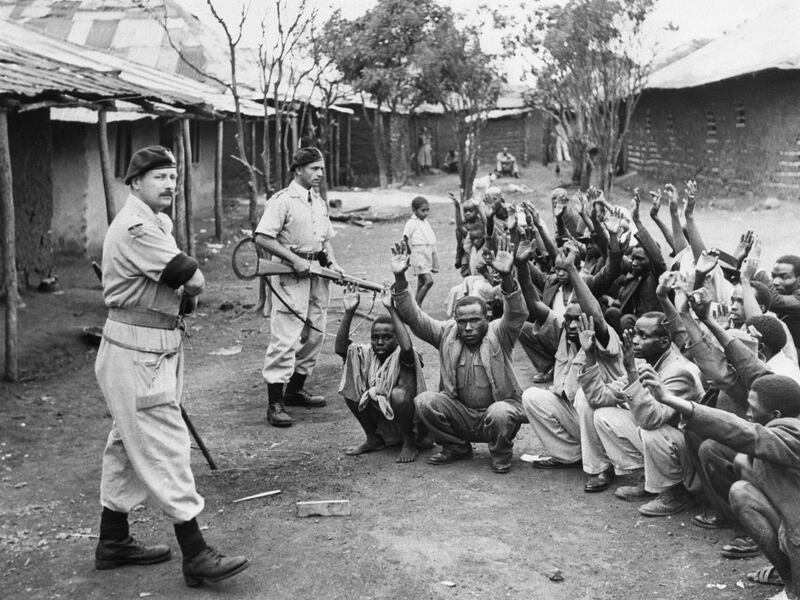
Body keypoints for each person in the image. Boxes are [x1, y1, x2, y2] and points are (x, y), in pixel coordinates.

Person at [94, 146, 248, 586]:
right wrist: (189, 286)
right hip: (136, 351)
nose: (170, 184)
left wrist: (186, 289)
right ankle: (195, 552)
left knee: (127, 445)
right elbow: (194, 280)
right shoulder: (138, 226)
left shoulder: (158, 222)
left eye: (173, 177)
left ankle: (113, 541)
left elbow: (188, 290)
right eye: (159, 177)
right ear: (135, 183)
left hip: (153, 345)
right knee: (167, 443)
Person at [642, 371, 800, 600]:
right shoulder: (788, 422)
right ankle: (791, 584)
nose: (747, 413)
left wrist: (670, 399)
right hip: (793, 524)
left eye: (753, 408)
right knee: (741, 492)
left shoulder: (794, 435)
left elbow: (746, 432)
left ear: (776, 414)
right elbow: (750, 366)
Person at [391, 234, 529, 474]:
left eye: (474, 321)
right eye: (462, 321)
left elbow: (517, 313)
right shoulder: (447, 333)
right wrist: (400, 278)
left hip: (496, 412)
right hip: (461, 414)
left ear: (487, 317)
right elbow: (414, 317)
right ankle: (456, 447)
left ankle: (500, 453)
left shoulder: (500, 333)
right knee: (424, 402)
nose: (467, 327)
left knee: (500, 412)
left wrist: (507, 277)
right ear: (455, 319)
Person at [254, 147, 344, 427]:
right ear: (297, 170)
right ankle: (275, 402)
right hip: (291, 276)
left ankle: (295, 389)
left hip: (317, 273)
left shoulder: (318, 201)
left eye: (321, 168)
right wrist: (293, 260)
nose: (319, 174)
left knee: (316, 332)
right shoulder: (282, 201)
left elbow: (324, 238)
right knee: (287, 336)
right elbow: (262, 237)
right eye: (314, 168)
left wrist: (334, 264)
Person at [336, 287, 427, 463]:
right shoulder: (366, 353)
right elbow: (341, 349)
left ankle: (409, 443)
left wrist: (391, 309)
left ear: (397, 338)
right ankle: (373, 438)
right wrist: (349, 311)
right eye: (375, 337)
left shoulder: (405, 354)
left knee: (399, 394)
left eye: (386, 337)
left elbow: (407, 347)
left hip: (411, 421)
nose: (379, 342)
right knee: (351, 388)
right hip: (382, 417)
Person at [403, 196, 439, 307]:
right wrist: (409, 251)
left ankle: (416, 305)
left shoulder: (425, 222)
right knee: (429, 281)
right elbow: (405, 237)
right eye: (423, 210)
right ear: (414, 210)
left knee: (421, 282)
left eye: (427, 210)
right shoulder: (411, 223)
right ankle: (416, 305)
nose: (426, 213)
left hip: (427, 253)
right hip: (418, 254)